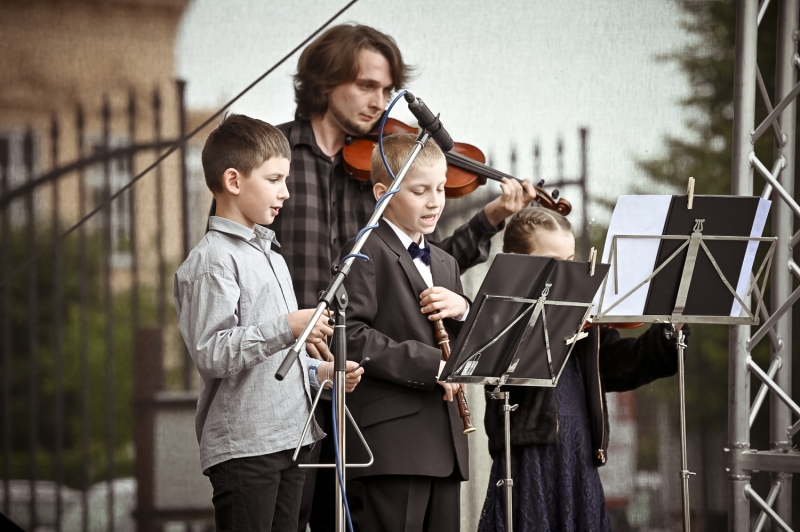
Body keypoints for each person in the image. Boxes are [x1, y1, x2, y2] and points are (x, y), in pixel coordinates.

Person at [257, 23, 536, 531]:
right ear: (324, 82)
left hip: (365, 383)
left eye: (387, 90)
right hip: (294, 373)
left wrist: (490, 218)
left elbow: (414, 266)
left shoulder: (377, 165)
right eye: (366, 86)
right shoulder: (273, 160)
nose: (380, 101)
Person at [173, 114, 364, 531]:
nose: (286, 193)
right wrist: (288, 326)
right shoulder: (211, 261)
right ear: (234, 181)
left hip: (294, 439)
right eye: (275, 179)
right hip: (246, 448)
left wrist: (321, 372)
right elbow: (212, 353)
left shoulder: (272, 256)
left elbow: (279, 360)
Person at [477, 207, 690, 532]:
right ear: (516, 261)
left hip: (578, 459)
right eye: (554, 263)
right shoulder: (501, 315)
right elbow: (506, 379)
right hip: (530, 463)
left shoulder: (584, 322)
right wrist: (551, 322)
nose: (568, 274)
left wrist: (668, 333)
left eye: (571, 260)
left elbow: (622, 366)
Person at [341, 133, 471, 532]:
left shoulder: (446, 263)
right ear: (383, 193)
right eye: (419, 191)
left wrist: (464, 310)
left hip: (446, 443)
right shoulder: (365, 249)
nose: (434, 201)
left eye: (440, 188)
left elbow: (464, 349)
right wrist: (431, 364)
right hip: (393, 445)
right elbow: (350, 334)